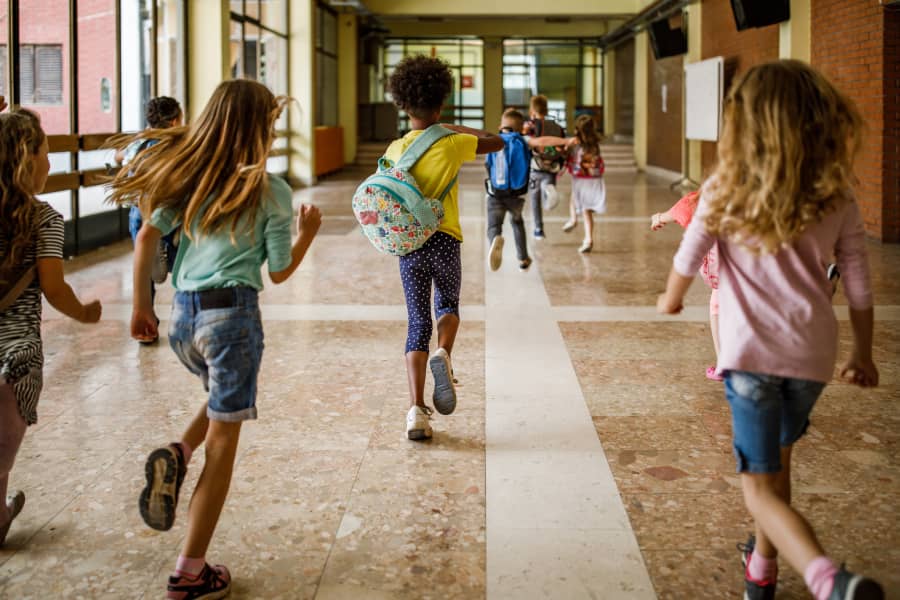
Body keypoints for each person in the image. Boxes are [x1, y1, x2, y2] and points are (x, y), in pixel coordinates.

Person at [657, 60, 883, 600]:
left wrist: (671, 298)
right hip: (812, 360)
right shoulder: (837, 196)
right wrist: (864, 352)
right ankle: (762, 567)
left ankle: (828, 580)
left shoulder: (725, 189)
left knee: (757, 488)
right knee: (778, 466)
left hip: (751, 358)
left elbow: (690, 254)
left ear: (743, 123)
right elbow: (857, 282)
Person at [108, 79, 321, 600]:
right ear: (259, 129)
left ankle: (178, 450)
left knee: (221, 401)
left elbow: (145, 238)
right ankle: (189, 573)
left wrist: (141, 306)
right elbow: (278, 272)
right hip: (233, 319)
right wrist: (307, 233)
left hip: (183, 318)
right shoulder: (270, 190)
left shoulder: (191, 179)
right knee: (224, 442)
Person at [384, 55, 503, 441]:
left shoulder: (395, 147)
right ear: (441, 101)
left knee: (417, 322)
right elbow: (496, 141)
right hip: (445, 241)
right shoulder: (452, 144)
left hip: (409, 246)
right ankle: (444, 353)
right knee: (448, 306)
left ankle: (416, 412)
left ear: (403, 104)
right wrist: (446, 126)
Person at [0, 109, 102, 547]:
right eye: (45, 152)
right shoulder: (44, 220)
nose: (50, 162)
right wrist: (84, 314)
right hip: (16, 353)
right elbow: (54, 288)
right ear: (28, 159)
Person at [114, 97, 184, 343]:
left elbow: (118, 157)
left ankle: (147, 321)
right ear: (175, 119)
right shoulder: (176, 143)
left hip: (139, 211)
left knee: (143, 264)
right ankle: (187, 316)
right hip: (169, 212)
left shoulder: (139, 142)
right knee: (183, 264)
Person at [485, 108, 569, 272]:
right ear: (520, 128)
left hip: (496, 193)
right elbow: (542, 141)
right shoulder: (523, 140)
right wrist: (566, 141)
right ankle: (523, 258)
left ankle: (494, 239)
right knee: (517, 223)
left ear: (501, 125)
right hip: (516, 195)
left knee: (494, 225)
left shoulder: (493, 140)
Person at [651, 190, 722, 380]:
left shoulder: (721, 188)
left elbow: (688, 206)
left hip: (725, 267)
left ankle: (723, 362)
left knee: (718, 300)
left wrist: (670, 300)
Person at [522, 94, 566, 240]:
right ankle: (549, 189)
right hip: (551, 166)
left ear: (532, 110)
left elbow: (524, 141)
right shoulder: (555, 126)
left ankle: (538, 229)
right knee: (548, 184)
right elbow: (562, 146)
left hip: (535, 166)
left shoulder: (530, 126)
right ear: (546, 110)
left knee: (534, 199)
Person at [560, 115, 605, 254]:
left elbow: (567, 155)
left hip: (581, 179)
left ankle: (573, 221)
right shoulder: (595, 144)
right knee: (586, 211)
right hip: (594, 180)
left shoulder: (575, 143)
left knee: (575, 201)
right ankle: (588, 240)